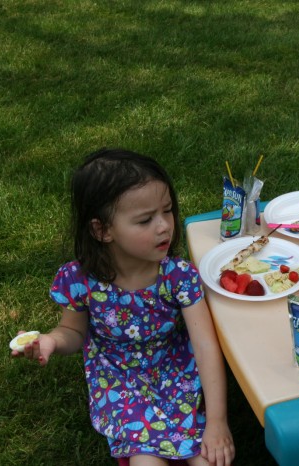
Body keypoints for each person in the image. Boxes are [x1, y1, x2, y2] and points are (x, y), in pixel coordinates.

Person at [12, 149, 235, 466]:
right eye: (145, 220)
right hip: (118, 380)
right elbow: (72, 331)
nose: (164, 227)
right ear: (102, 230)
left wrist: (217, 422)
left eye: (167, 211)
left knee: (206, 459)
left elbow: (205, 346)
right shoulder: (81, 280)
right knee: (146, 460)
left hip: (172, 370)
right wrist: (51, 341)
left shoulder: (178, 274)